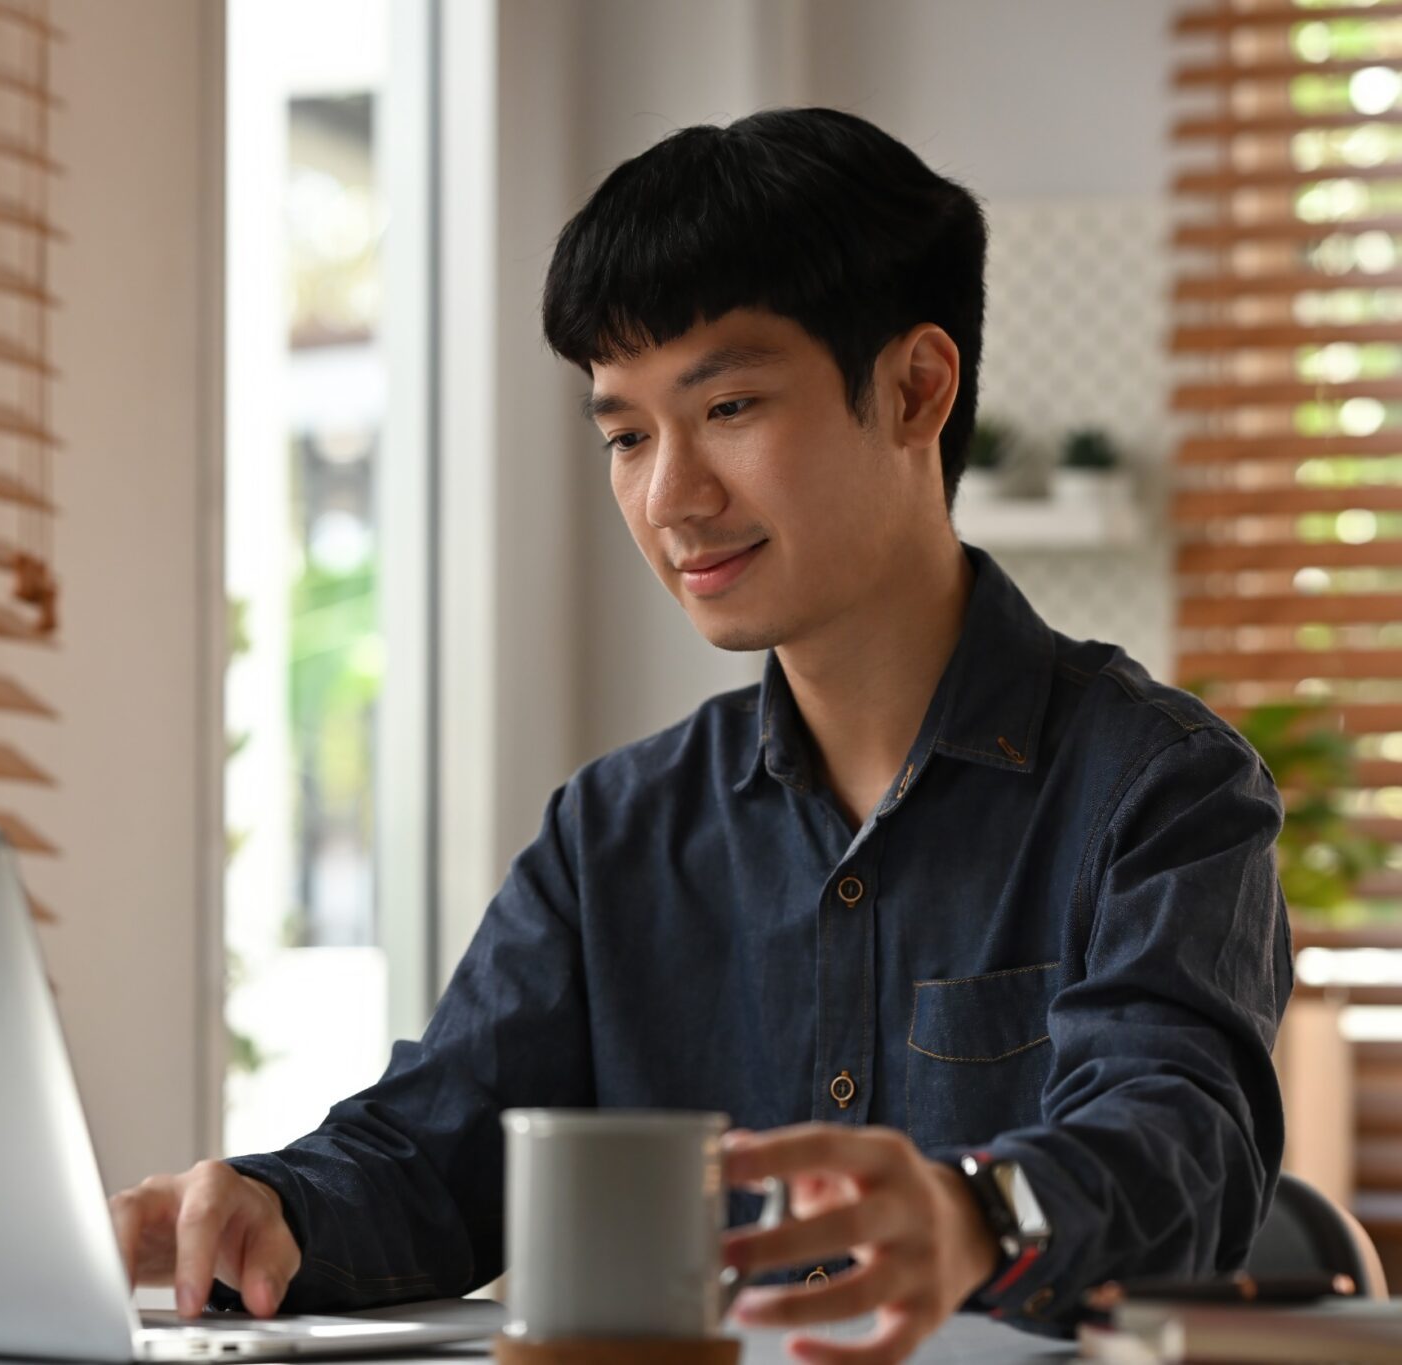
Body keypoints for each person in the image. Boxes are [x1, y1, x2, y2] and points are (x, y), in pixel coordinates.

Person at [109, 107, 1293, 1365]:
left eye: (726, 405)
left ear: (913, 388)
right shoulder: (614, 832)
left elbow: (1176, 1140)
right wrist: (263, 1207)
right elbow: (430, 1154)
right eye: (625, 434)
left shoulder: (1159, 792)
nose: (669, 495)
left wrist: (973, 1211)